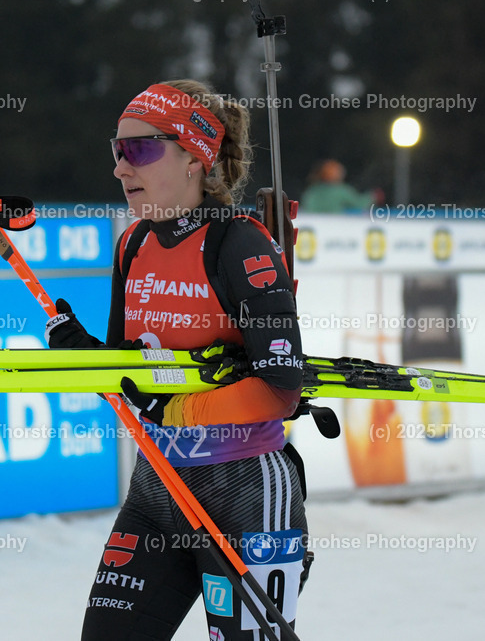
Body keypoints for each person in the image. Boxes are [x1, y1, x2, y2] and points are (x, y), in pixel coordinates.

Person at [45, 79, 310, 639]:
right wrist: (84, 357)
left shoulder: (240, 243)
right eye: (118, 149)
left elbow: (281, 389)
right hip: (157, 485)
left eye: (139, 149)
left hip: (244, 491)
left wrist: (174, 409)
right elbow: (128, 373)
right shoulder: (133, 244)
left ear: (195, 157)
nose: (121, 167)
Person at [300, 158, 382, 212]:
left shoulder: (311, 191)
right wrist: (373, 196)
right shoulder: (340, 190)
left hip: (313, 227)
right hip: (334, 226)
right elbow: (359, 204)